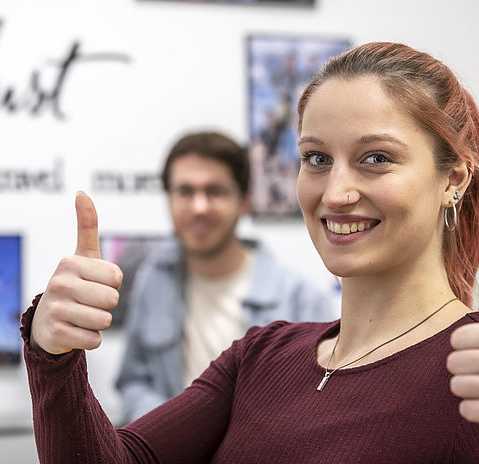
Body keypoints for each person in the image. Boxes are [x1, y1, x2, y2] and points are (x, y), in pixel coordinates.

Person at [21, 42, 479, 462]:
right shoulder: (262, 357)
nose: (337, 192)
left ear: (453, 180)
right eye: (317, 158)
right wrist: (54, 354)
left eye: (376, 158)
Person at [115, 131, 339, 423]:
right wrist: (172, 427)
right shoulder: (153, 280)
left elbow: (320, 406)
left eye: (215, 191)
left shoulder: (299, 297)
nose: (199, 207)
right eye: (185, 191)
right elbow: (133, 382)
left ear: (244, 201)